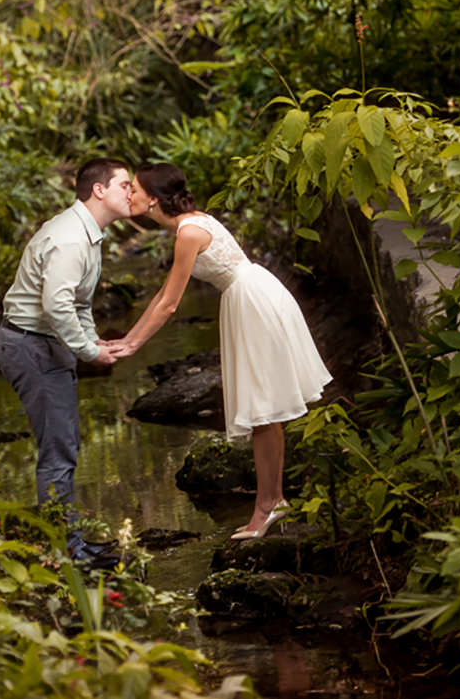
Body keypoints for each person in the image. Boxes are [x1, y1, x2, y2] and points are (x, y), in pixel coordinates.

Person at [110, 163, 332, 540]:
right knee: (266, 407)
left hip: (251, 300)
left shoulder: (188, 233)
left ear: (153, 199)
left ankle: (267, 507)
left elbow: (170, 304)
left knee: (264, 407)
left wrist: (133, 345)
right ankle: (273, 501)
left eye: (133, 188)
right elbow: (163, 293)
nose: (128, 194)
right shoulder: (191, 224)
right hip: (252, 293)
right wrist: (127, 338)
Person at [0, 158, 133, 567]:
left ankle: (70, 543)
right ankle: (66, 553)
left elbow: (77, 302)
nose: (132, 193)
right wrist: (90, 351)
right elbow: (56, 306)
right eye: (125, 185)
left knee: (65, 445)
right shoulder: (72, 238)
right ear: (99, 190)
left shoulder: (88, 234)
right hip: (32, 346)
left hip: (45, 345)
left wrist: (91, 340)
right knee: (57, 451)